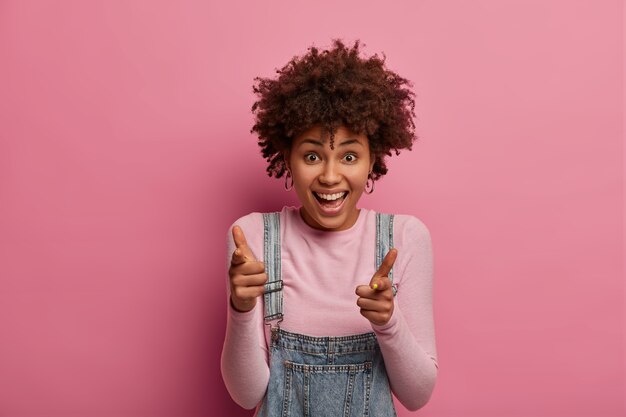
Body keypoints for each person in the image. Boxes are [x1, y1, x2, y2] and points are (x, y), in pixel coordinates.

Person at [221, 38, 438, 417]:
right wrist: (240, 308)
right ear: (286, 158)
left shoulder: (404, 239)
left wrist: (388, 322)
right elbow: (246, 395)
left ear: (374, 160)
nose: (330, 175)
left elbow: (417, 397)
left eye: (350, 156)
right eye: (311, 156)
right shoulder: (252, 238)